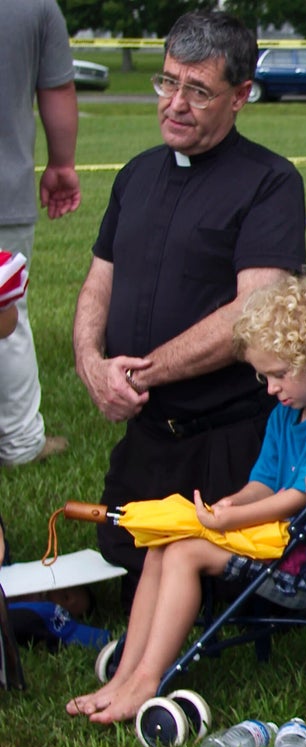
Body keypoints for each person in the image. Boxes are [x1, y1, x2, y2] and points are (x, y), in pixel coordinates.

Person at [72, 10, 306, 608]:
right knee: (118, 582)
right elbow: (98, 283)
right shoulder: (135, 175)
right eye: (167, 82)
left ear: (241, 96)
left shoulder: (271, 182)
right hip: (146, 437)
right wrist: (92, 365)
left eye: (198, 90)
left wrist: (139, 374)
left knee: (219, 601)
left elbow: (252, 312)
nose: (174, 103)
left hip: (223, 444)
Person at [67, 276, 306, 724]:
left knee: (185, 553)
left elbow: (293, 500)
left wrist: (228, 522)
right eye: (264, 376)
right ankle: (126, 675)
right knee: (163, 541)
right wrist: (229, 505)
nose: (271, 388)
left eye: (280, 374)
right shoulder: (286, 411)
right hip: (275, 536)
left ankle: (147, 680)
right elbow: (264, 484)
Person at [0, 0, 80, 466]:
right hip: (5, 186)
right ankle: (20, 442)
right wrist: (63, 164)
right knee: (6, 313)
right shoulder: (35, 5)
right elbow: (57, 88)